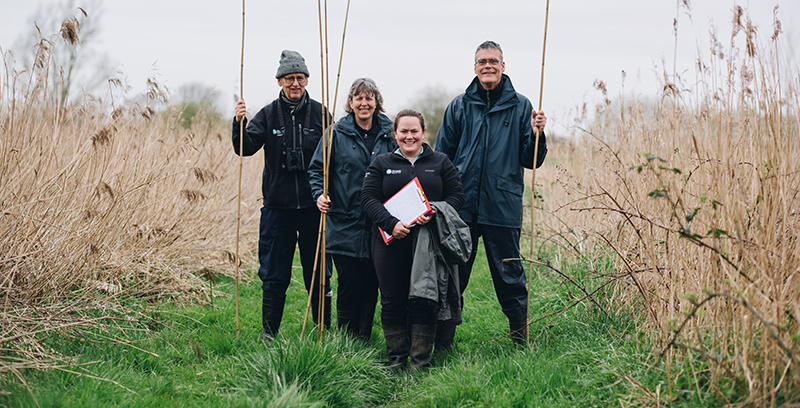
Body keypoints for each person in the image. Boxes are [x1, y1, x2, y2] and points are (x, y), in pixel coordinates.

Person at [435, 40, 548, 345]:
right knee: (454, 274)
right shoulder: (459, 105)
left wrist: (538, 133)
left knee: (510, 275)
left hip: (502, 204)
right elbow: (441, 156)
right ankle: (443, 341)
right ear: (475, 68)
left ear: (503, 66)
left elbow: (531, 160)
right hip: (463, 206)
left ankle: (520, 340)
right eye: (482, 61)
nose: (488, 66)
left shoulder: (522, 106)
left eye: (493, 61)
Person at [232, 50, 332, 342]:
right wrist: (239, 122)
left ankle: (322, 330)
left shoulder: (321, 113)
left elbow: (334, 155)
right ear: (279, 81)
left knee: (319, 272)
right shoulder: (266, 115)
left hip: (315, 207)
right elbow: (245, 147)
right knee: (274, 273)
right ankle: (269, 332)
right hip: (277, 207)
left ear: (306, 80)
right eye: (289, 78)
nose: (295, 84)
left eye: (300, 78)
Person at [362, 109, 465, 371]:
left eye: (414, 131)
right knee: (392, 299)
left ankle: (420, 361)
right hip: (388, 242)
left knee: (424, 298)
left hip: (428, 244)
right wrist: (391, 224)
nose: (409, 137)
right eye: (403, 132)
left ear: (424, 133)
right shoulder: (382, 163)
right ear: (394, 134)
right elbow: (368, 199)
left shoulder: (440, 161)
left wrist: (432, 212)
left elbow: (457, 196)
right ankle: (396, 359)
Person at [309, 78, 396, 341]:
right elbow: (316, 170)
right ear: (350, 103)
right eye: (358, 98)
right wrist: (319, 194)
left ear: (377, 103)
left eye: (369, 98)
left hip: (379, 222)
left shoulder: (390, 133)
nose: (364, 103)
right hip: (344, 222)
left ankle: (364, 338)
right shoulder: (335, 133)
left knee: (372, 283)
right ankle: (346, 339)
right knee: (348, 282)